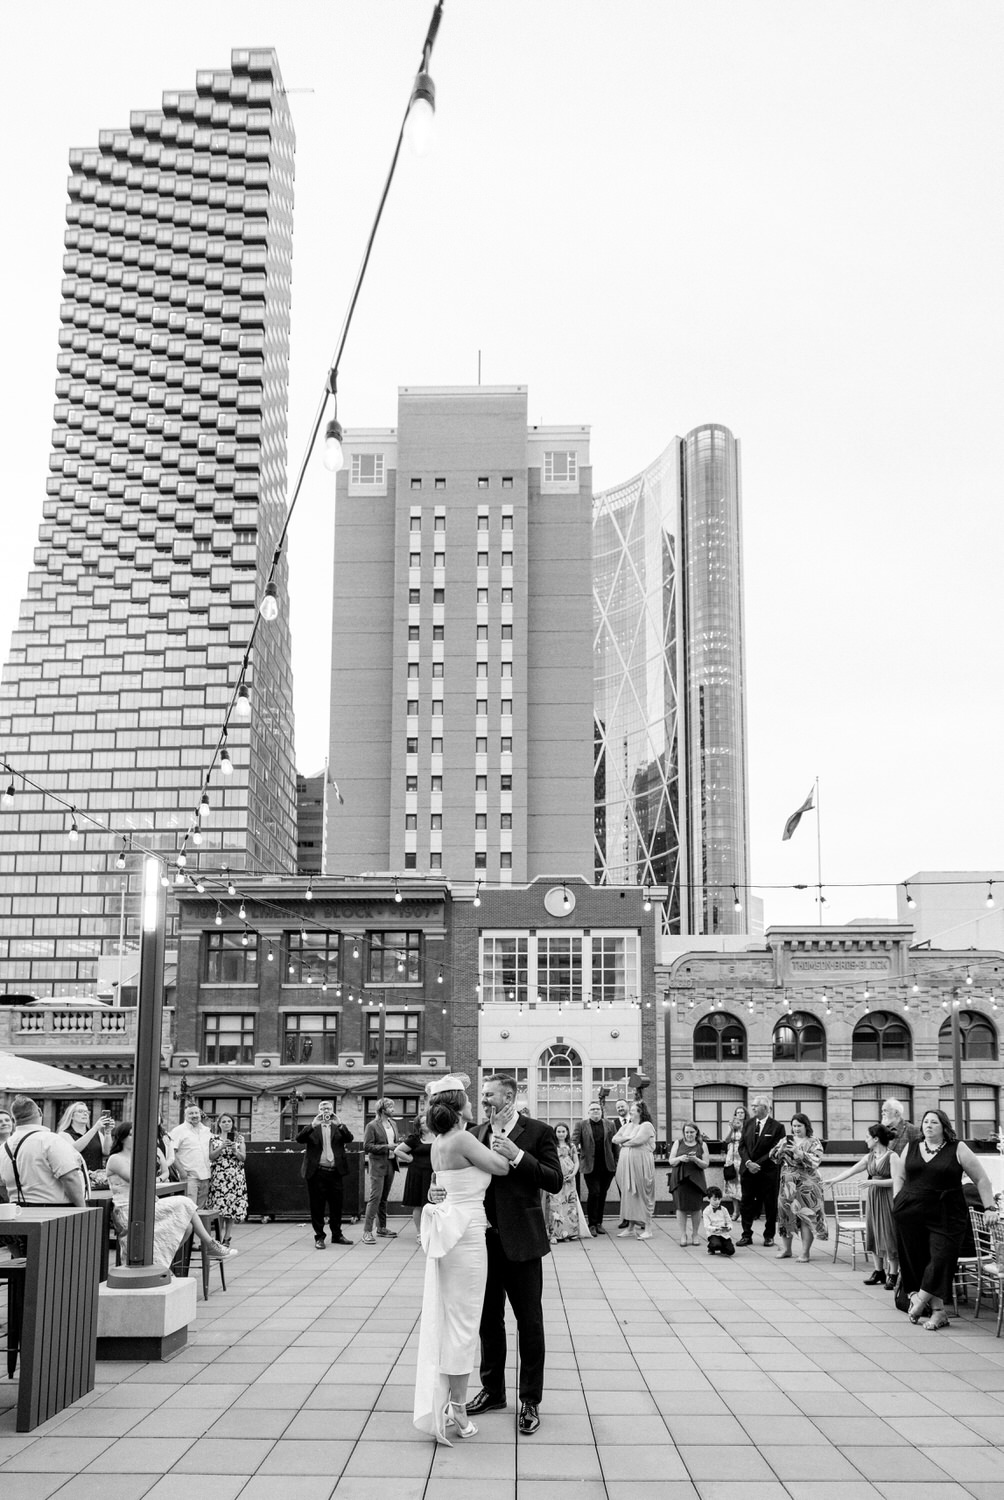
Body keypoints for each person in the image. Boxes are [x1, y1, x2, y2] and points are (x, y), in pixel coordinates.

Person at [412, 1075, 510, 1445]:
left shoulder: (439, 1141)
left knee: (454, 1318)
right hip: (467, 1236)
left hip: (452, 1233)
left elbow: (441, 1186)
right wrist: (502, 1138)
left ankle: (451, 1401)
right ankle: (458, 1406)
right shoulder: (464, 1138)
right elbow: (501, 1167)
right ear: (457, 1107)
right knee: (465, 1323)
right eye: (469, 1099)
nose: (475, 1104)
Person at [463, 1073, 562, 1437]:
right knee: (488, 1322)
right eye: (483, 1094)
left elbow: (554, 1180)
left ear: (510, 1096)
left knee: (530, 1324)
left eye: (490, 1094)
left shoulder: (538, 1132)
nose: (485, 1098)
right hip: (482, 1244)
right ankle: (492, 1392)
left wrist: (518, 1156)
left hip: (522, 1244)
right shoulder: (474, 1133)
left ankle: (530, 1400)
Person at [891, 1108, 1000, 1331]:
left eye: (934, 1122)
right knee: (917, 1260)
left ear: (944, 1127)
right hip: (911, 1213)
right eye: (925, 1122)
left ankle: (919, 1301)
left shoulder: (957, 1148)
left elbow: (981, 1179)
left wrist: (989, 1207)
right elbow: (900, 1176)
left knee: (940, 1258)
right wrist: (898, 1201)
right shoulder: (911, 1147)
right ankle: (939, 1312)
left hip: (947, 1213)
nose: (928, 1126)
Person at [105, 1122, 236, 1267]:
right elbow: (138, 1181)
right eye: (131, 1134)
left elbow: (151, 1178)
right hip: (127, 1209)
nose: (136, 1137)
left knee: (187, 1228)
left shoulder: (138, 1157)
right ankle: (211, 1245)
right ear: (121, 1138)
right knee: (185, 1202)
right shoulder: (116, 1158)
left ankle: (160, 1263)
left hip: (144, 1205)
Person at [828, 1122, 899, 1286]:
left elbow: (896, 1180)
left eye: (867, 1137)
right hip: (874, 1198)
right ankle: (879, 1271)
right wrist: (833, 1180)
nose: (865, 1140)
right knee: (873, 1232)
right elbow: (850, 1171)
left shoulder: (892, 1156)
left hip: (887, 1198)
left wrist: (874, 1183)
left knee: (888, 1234)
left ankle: (893, 1274)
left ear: (876, 1138)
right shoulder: (870, 1157)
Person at [0, 1095, 86, 1206]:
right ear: (40, 1112)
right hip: (55, 1213)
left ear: (13, 1119)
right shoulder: (50, 1140)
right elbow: (70, 1177)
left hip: (18, 1211)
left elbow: (2, 1186)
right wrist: (82, 1208)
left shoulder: (3, 1148)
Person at [770, 1113, 828, 1262]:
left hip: (807, 1183)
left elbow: (816, 1161)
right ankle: (787, 1250)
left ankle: (805, 1252)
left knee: (806, 1215)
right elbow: (773, 1158)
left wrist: (799, 1152)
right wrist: (780, 1150)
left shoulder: (814, 1142)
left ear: (806, 1126)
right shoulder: (786, 1140)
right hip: (787, 1182)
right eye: (794, 1126)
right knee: (785, 1214)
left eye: (799, 1126)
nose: (796, 1129)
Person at [297, 1100, 354, 1248]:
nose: (325, 1111)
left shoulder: (338, 1126)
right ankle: (319, 1237)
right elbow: (299, 1139)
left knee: (337, 1205)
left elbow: (349, 1139)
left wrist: (340, 1124)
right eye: (322, 1108)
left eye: (328, 1108)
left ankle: (337, 1235)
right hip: (317, 1173)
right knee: (317, 1206)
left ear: (333, 1110)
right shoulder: (312, 1127)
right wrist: (312, 1124)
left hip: (335, 1172)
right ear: (318, 1111)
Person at [737, 1095, 785, 1247]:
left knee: (770, 1205)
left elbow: (776, 1150)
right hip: (748, 1172)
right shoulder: (748, 1124)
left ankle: (769, 1235)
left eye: (755, 1106)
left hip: (768, 1172)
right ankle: (746, 1234)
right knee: (746, 1204)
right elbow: (742, 1146)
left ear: (765, 1108)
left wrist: (757, 1164)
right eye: (752, 1105)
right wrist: (749, 1163)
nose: (752, 1108)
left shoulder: (777, 1127)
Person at [572, 1099, 619, 1236]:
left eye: (597, 1109)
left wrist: (616, 1162)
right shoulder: (581, 1125)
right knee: (594, 1193)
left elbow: (615, 1145)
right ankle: (591, 1224)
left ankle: (599, 1223)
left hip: (607, 1166)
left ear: (601, 1111)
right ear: (588, 1112)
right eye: (592, 1109)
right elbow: (574, 1142)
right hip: (590, 1166)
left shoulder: (610, 1124)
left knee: (602, 1194)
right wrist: (570, 1154)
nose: (595, 1111)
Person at [613, 1100, 657, 1239]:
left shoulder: (646, 1125)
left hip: (641, 1164)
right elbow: (614, 1139)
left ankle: (648, 1228)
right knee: (629, 1194)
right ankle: (631, 1227)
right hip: (626, 1165)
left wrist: (624, 1141)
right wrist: (627, 1138)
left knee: (644, 1193)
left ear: (640, 1112)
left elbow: (638, 1141)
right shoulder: (627, 1126)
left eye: (633, 1110)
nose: (630, 1112)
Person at [362, 1097, 401, 1244]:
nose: (393, 1110)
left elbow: (394, 1142)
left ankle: (381, 1228)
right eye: (390, 1107)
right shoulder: (372, 1126)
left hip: (391, 1163)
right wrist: (387, 1147)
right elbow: (367, 1146)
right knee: (375, 1198)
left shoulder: (393, 1124)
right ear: (382, 1109)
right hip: (377, 1166)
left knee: (384, 1198)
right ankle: (367, 1231)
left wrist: (397, 1146)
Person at [207, 1113, 248, 1246]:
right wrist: (221, 1147)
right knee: (219, 1207)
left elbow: (243, 1157)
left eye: (229, 1121)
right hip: (219, 1176)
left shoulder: (239, 1138)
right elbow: (211, 1156)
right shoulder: (213, 1139)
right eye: (223, 1121)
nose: (226, 1124)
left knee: (231, 1208)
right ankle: (218, 1236)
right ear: (219, 1124)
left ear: (232, 1123)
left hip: (235, 1176)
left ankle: (227, 1237)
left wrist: (235, 1151)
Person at [668, 1121, 710, 1245]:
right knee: (681, 1207)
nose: (689, 1134)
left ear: (696, 1132)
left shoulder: (702, 1145)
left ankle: (695, 1234)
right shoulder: (678, 1143)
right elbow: (671, 1161)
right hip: (680, 1179)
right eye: (687, 1132)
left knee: (696, 1208)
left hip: (696, 1180)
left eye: (691, 1132)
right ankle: (683, 1234)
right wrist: (680, 1158)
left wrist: (696, 1159)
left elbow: (706, 1164)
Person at [545, 1124, 588, 1242]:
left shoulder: (571, 1146)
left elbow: (576, 1162)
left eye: (563, 1131)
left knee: (569, 1206)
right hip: (556, 1177)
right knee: (556, 1205)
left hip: (570, 1180)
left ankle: (569, 1232)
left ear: (567, 1132)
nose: (561, 1134)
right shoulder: (552, 1146)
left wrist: (573, 1174)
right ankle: (555, 1233)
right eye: (558, 1131)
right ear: (555, 1133)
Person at [398, 1105, 436, 1237]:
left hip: (432, 1174)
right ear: (419, 1126)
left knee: (432, 1204)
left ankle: (432, 1232)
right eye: (424, 1122)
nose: (427, 1124)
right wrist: (409, 1159)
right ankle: (420, 1233)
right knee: (418, 1205)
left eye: (428, 1121)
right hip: (417, 1174)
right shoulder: (414, 1138)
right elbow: (398, 1150)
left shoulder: (438, 1135)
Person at [169, 1103, 213, 1208]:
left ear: (200, 1114)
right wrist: (182, 1172)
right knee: (189, 1209)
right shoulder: (178, 1130)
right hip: (190, 1177)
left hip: (205, 1176)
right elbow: (171, 1153)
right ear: (185, 1115)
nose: (194, 1115)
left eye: (196, 1113)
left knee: (201, 1209)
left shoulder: (206, 1130)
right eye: (190, 1113)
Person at [56, 1102, 113, 1176]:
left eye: (87, 1112)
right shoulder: (64, 1134)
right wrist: (95, 1128)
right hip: (76, 1178)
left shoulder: (98, 1134)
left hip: (96, 1180)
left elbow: (107, 1152)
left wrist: (108, 1133)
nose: (85, 1114)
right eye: (80, 1111)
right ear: (71, 1116)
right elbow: (74, 1150)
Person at [721, 1104, 747, 1220]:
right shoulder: (731, 1125)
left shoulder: (748, 1125)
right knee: (732, 1184)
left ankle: (743, 1211)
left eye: (742, 1112)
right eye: (738, 1113)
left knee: (743, 1185)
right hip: (732, 1156)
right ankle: (735, 1211)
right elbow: (726, 1140)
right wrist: (732, 1129)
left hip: (742, 1156)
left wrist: (741, 1128)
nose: (740, 1115)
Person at [702, 1186, 736, 1255]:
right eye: (714, 1199)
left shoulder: (724, 1209)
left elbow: (729, 1221)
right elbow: (706, 1226)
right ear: (709, 1199)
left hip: (724, 1233)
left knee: (731, 1251)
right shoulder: (706, 1211)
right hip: (713, 1233)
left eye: (719, 1199)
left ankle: (723, 1248)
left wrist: (729, 1227)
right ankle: (711, 1247)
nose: (717, 1201)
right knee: (716, 1245)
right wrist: (715, 1229)